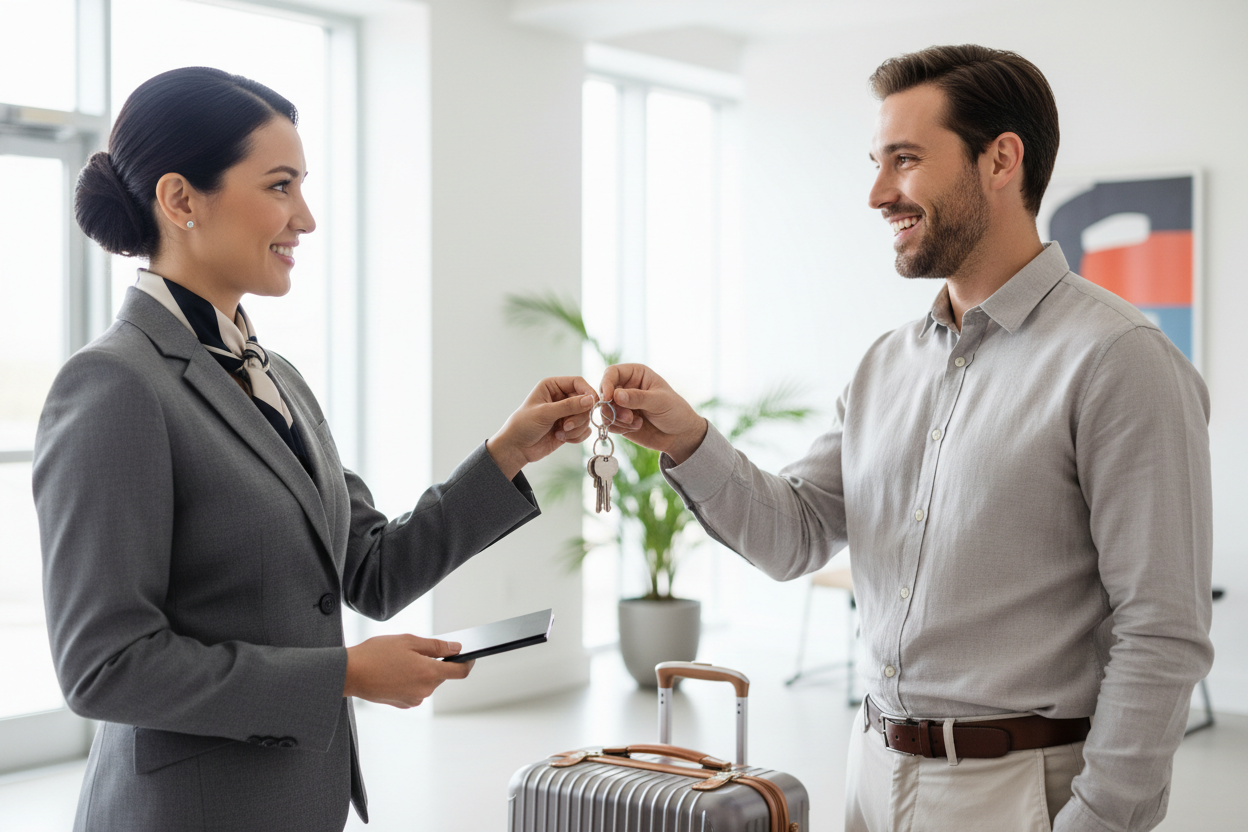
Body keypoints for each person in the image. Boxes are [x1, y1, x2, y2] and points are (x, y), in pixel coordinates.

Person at [594, 45, 1212, 832]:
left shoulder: (1119, 360)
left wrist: (1099, 821)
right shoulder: (884, 365)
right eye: (877, 163)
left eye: (905, 160)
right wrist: (686, 439)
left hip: (1023, 792)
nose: (879, 193)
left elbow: (1162, 629)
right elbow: (796, 536)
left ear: (1002, 159)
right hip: (872, 774)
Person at [32, 67, 596, 832]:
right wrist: (345, 674)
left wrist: (506, 454)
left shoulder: (278, 377)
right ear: (180, 199)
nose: (306, 218)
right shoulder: (113, 385)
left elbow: (371, 570)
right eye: (279, 186)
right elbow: (106, 667)